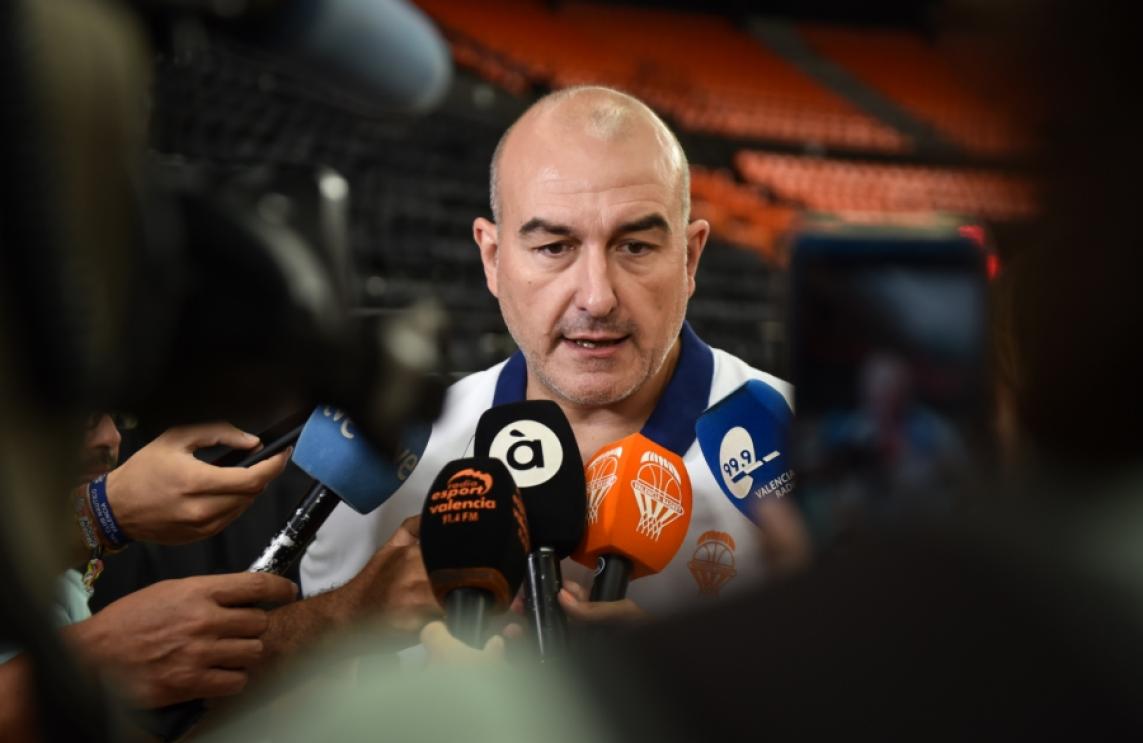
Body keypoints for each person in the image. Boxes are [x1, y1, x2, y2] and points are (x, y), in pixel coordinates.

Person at [300, 86, 793, 622]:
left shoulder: (809, 451)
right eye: (554, 247)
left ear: (690, 259)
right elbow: (301, 667)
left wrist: (680, 669)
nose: (597, 298)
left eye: (635, 247)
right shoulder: (391, 456)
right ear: (492, 259)